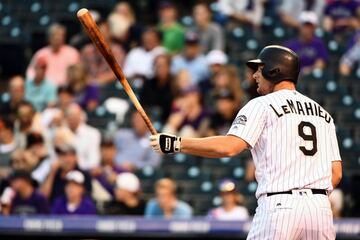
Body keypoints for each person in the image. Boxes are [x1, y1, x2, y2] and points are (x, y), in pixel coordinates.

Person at [150, 45, 342, 239]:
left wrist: (176, 143)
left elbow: (230, 147)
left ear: (274, 70)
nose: (255, 75)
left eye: (259, 69)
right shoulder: (322, 114)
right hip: (320, 210)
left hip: (280, 205)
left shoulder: (261, 104)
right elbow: (336, 173)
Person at [81, 20, 125, 85]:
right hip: (88, 86)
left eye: (102, 33)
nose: (98, 36)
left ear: (109, 34)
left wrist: (96, 82)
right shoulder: (87, 50)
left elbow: (116, 74)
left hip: (108, 87)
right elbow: (81, 70)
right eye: (95, 33)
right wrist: (87, 80)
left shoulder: (117, 51)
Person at [65, 103, 101, 171]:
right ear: (66, 118)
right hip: (65, 171)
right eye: (70, 116)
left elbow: (94, 161)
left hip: (86, 172)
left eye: (75, 116)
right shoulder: (60, 133)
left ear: (81, 116)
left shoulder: (93, 133)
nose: (73, 119)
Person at [140, 54, 175, 122]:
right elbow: (142, 105)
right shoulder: (148, 84)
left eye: (163, 66)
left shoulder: (174, 85)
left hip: (168, 121)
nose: (160, 69)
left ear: (168, 67)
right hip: (149, 120)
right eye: (158, 66)